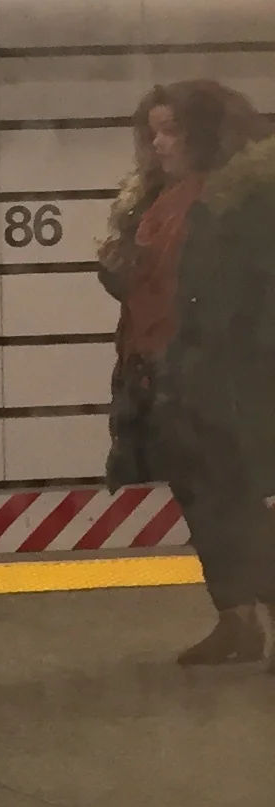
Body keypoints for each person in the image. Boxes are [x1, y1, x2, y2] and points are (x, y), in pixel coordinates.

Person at [102, 78, 275, 664]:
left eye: (171, 131)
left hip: (220, 371)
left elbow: (242, 290)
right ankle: (236, 619)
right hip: (161, 368)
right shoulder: (156, 198)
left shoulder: (240, 198)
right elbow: (151, 282)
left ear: (204, 133)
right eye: (152, 133)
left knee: (236, 502)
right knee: (200, 499)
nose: (159, 144)